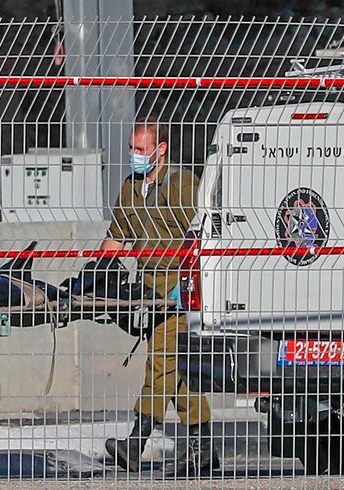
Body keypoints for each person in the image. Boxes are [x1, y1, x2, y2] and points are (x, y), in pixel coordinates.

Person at [103, 117, 219, 474]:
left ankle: (134, 444)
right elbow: (117, 235)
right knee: (179, 373)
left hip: (180, 293)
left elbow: (204, 232)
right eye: (131, 148)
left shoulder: (182, 184)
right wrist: (94, 274)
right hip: (149, 291)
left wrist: (187, 281)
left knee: (161, 363)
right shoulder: (131, 187)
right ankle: (205, 451)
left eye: (140, 149)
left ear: (161, 150)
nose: (133, 155)